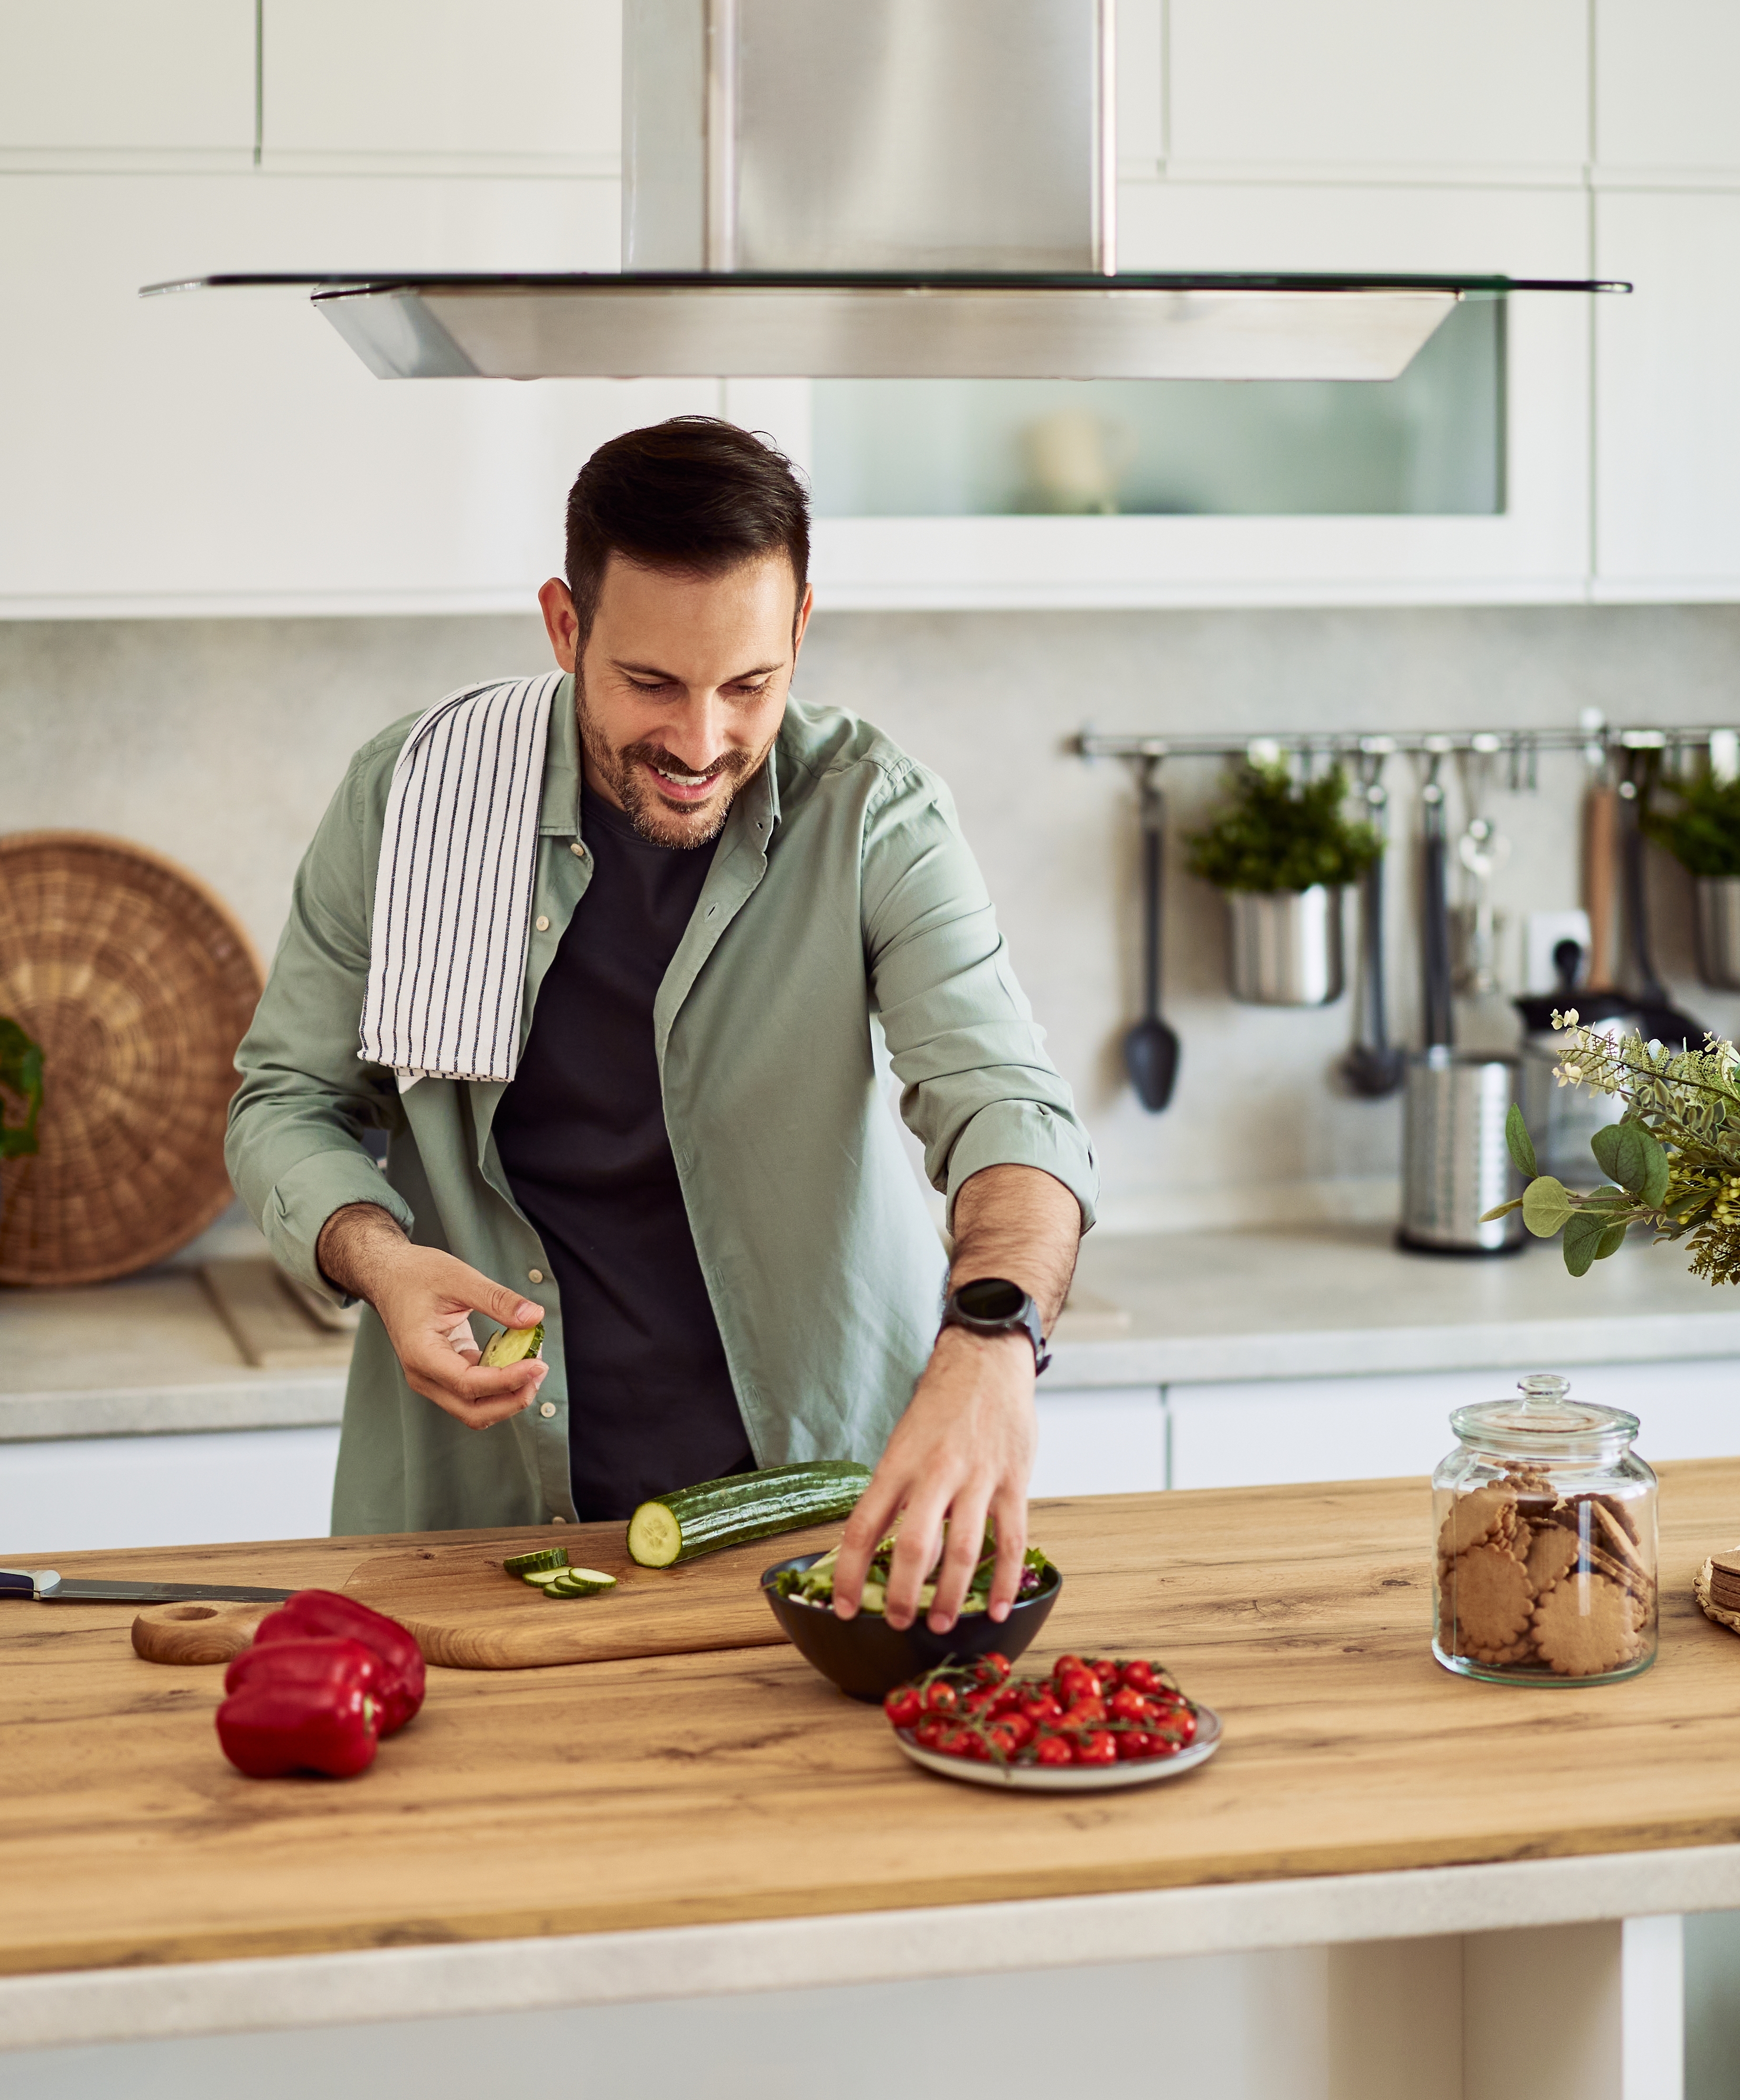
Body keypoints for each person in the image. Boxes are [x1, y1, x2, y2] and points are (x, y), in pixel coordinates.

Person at [225, 417, 1095, 1628]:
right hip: (480, 1512)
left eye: (748, 686)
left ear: (800, 627)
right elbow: (287, 1101)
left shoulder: (873, 816)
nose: (699, 741)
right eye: (650, 684)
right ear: (565, 626)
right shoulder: (411, 799)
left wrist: (992, 1342)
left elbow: (1008, 1108)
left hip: (825, 1508)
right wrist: (378, 1257)